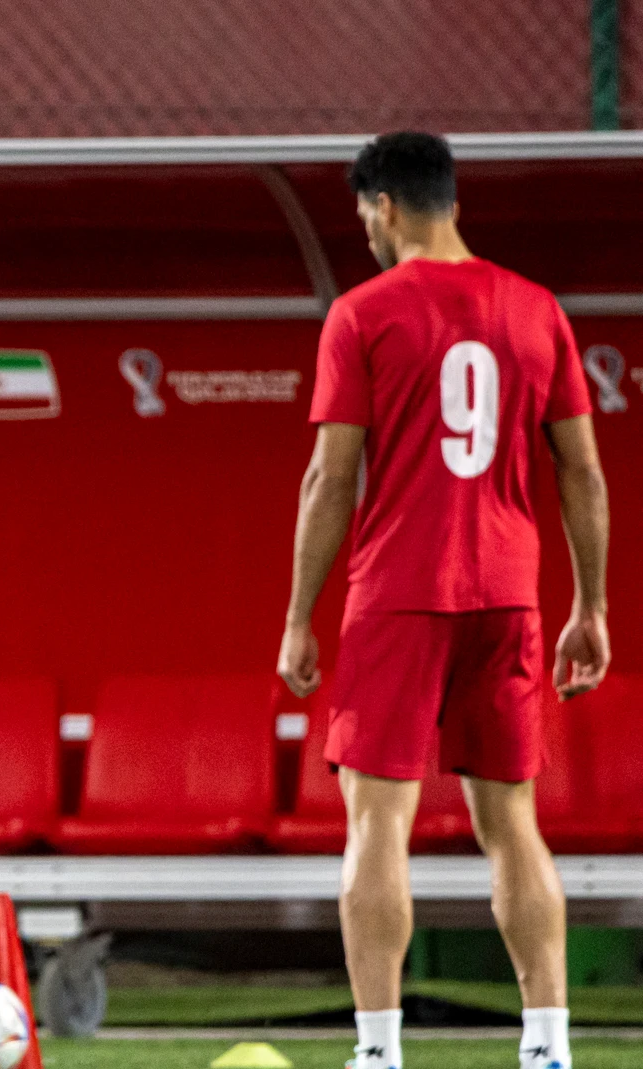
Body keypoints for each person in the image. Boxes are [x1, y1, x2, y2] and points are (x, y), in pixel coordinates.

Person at [277, 132, 609, 1069]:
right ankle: (547, 1046)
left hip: (397, 594)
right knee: (513, 822)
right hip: (509, 593)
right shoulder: (537, 308)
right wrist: (593, 605)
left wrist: (301, 613)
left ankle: (380, 1053)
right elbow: (581, 471)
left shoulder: (362, 313)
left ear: (383, 206)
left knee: (377, 822)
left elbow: (327, 479)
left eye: (364, 219)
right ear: (449, 200)